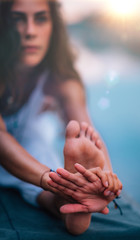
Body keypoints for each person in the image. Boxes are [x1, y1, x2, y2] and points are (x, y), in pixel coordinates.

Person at [0, 0, 122, 235]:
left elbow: (86, 132)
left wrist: (104, 179)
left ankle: (72, 203)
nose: (30, 31)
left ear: (53, 27)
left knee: (43, 152)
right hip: (6, 147)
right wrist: (47, 177)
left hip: (27, 144)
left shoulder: (62, 80)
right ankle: (62, 190)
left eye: (41, 18)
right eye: (18, 19)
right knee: (53, 176)